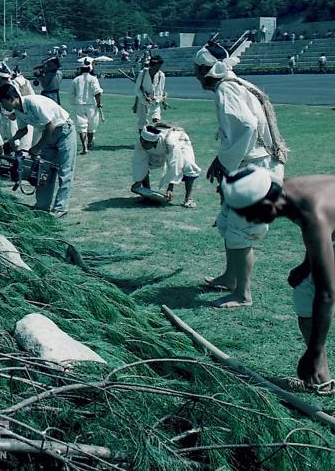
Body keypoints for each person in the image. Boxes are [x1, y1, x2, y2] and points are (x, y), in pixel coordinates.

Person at [220, 167, 335, 393]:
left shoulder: (311, 212)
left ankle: (317, 368)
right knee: (305, 293)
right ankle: (322, 382)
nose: (249, 221)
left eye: (249, 215)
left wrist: (312, 352)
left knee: (317, 296)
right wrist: (306, 265)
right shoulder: (287, 192)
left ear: (266, 205)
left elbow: (327, 293)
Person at [194, 41, 288, 308]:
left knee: (240, 233)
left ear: (206, 70)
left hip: (255, 171)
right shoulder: (239, 85)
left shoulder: (227, 88)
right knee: (227, 224)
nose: (195, 75)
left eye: (197, 69)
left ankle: (242, 294)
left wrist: (226, 164)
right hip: (252, 165)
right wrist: (222, 160)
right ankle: (229, 277)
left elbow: (246, 126)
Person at [0, 84, 77, 217]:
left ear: (10, 98)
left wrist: (37, 147)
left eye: (3, 103)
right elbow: (23, 130)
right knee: (43, 172)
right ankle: (42, 206)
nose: (3, 107)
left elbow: (51, 126)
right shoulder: (19, 111)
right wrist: (9, 142)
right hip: (48, 135)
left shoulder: (33, 103)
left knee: (65, 171)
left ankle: (60, 209)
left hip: (64, 131)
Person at [132, 125, 200, 208]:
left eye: (145, 143)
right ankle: (147, 195)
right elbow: (139, 162)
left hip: (181, 142)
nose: (142, 144)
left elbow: (174, 163)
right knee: (145, 164)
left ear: (154, 142)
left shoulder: (170, 142)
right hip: (161, 148)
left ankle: (188, 198)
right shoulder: (141, 141)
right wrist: (138, 181)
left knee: (189, 165)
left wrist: (170, 187)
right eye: (141, 141)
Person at [70, 59, 103, 154]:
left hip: (79, 105)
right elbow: (97, 92)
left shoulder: (76, 80)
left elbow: (71, 94)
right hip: (91, 105)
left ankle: (85, 147)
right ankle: (89, 143)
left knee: (81, 126)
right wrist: (99, 103)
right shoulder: (93, 79)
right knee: (91, 126)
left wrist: (74, 103)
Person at [133, 55, 166, 129]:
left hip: (155, 102)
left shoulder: (161, 75)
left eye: (159, 67)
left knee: (156, 119)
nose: (158, 70)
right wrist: (144, 96)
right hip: (142, 102)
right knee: (142, 122)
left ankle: (156, 138)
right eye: (156, 68)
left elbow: (160, 90)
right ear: (151, 66)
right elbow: (137, 89)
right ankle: (142, 138)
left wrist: (156, 98)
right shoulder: (143, 73)